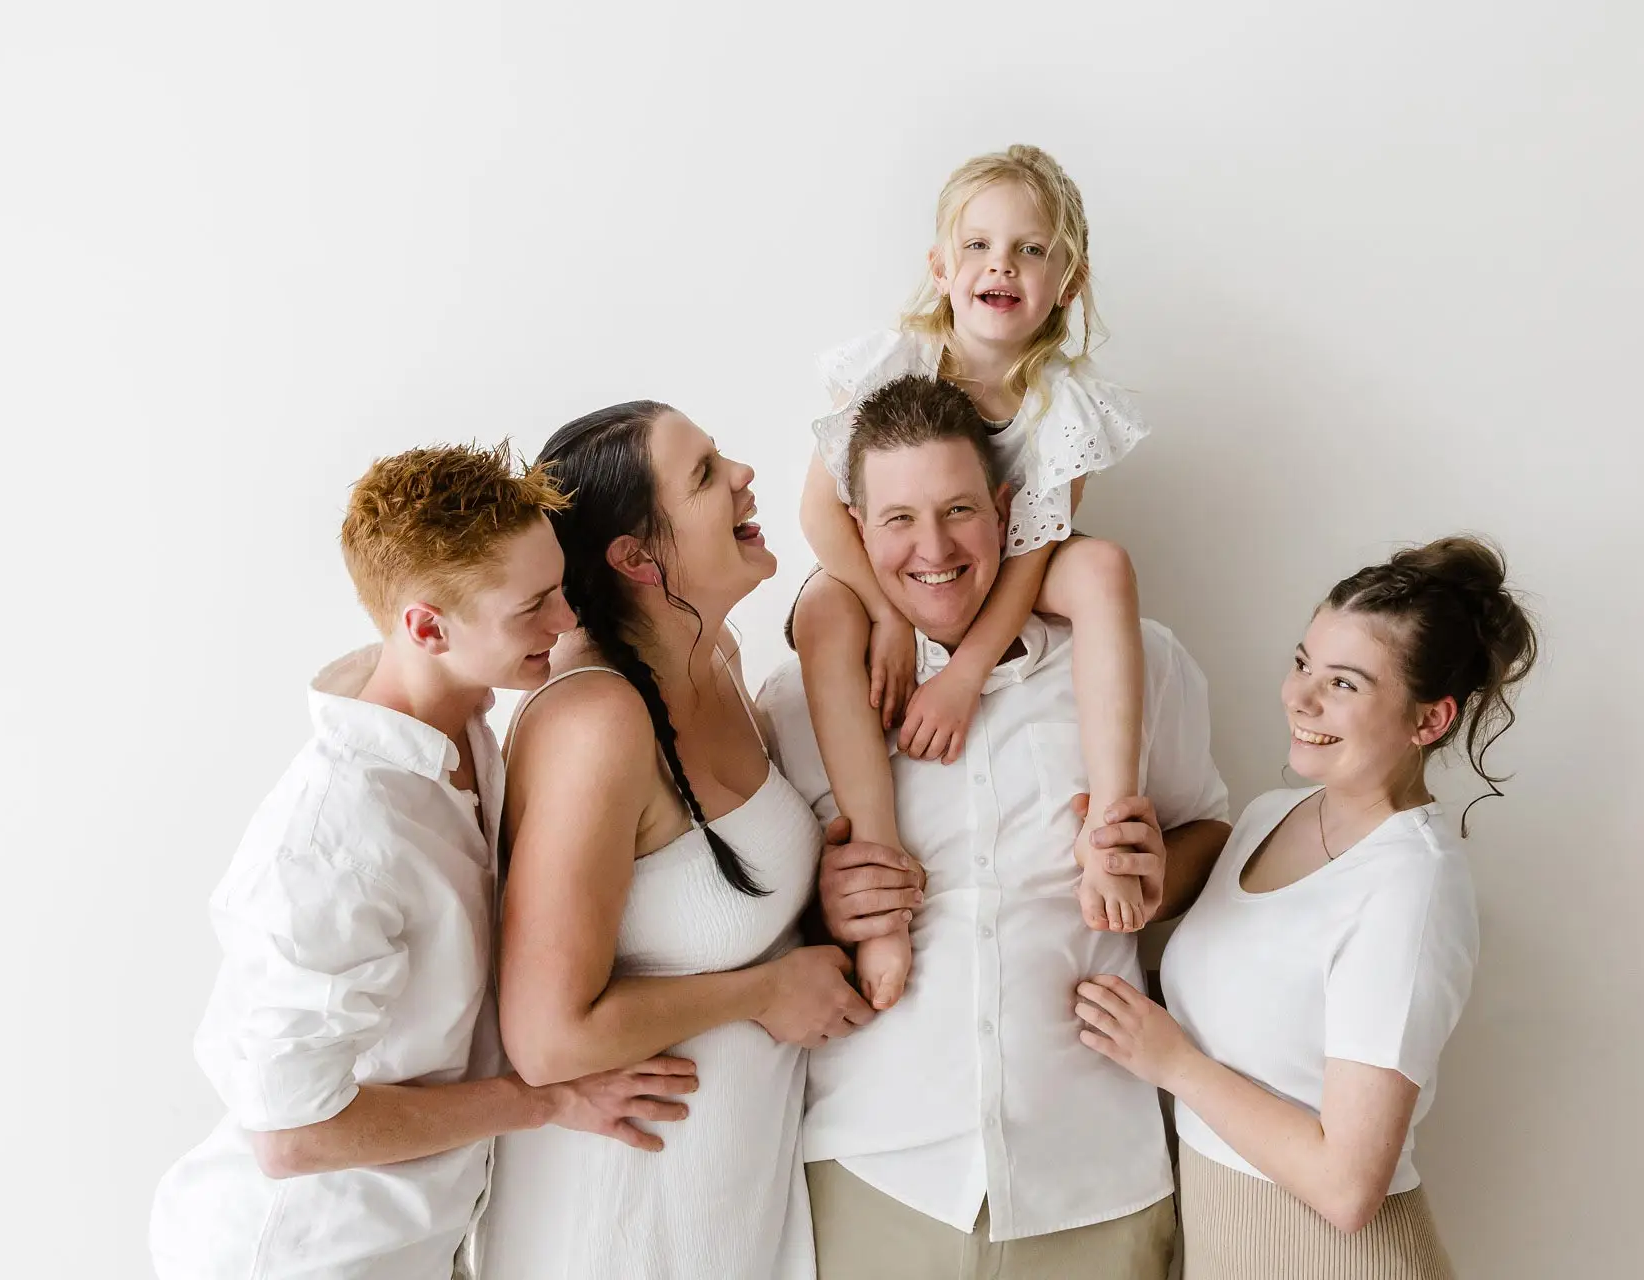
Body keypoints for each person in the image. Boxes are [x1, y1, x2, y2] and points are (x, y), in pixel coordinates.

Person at [149, 443, 699, 1280]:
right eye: (534, 607)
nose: (564, 619)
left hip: (423, 1245)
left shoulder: (468, 722)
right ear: (427, 628)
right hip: (305, 1257)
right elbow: (293, 1135)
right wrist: (546, 1101)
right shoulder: (334, 840)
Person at [761, 374, 1233, 1279]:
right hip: (876, 1166)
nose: (932, 548)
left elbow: (1208, 830)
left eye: (959, 510)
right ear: (856, 530)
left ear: (1008, 509)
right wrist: (826, 907)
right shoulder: (794, 705)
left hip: (1096, 1176)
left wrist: (1152, 875)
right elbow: (747, 927)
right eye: (897, 519)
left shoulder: (1137, 662)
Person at [478, 402, 872, 1280]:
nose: (742, 475)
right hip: (617, 1225)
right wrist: (764, 992)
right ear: (636, 559)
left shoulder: (718, 653)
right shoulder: (597, 722)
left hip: (730, 1208)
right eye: (703, 474)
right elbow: (547, 1038)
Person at [1076, 536, 1538, 1278]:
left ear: (1429, 721)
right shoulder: (1269, 816)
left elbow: (1349, 1187)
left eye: (1345, 684)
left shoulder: (1411, 887)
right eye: (1302, 664)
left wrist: (1172, 1064)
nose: (1300, 697)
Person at [792, 144, 1155, 1012]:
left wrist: (962, 674)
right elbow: (819, 517)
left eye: (1032, 250)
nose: (1003, 266)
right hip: (883, 575)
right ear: (942, 267)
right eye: (981, 246)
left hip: (999, 576)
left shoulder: (1064, 406)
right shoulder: (892, 365)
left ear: (1067, 280)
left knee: (1101, 565)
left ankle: (1109, 825)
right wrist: (886, 617)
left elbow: (1031, 555)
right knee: (818, 611)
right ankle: (880, 885)